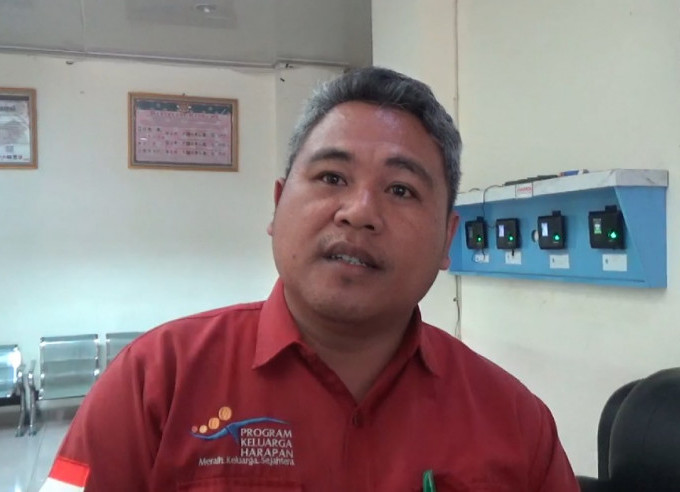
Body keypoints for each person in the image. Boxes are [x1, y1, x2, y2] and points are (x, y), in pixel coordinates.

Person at [40, 67, 579, 491]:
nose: (359, 212)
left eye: (401, 190)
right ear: (278, 207)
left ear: (447, 240)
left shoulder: (516, 421)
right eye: (331, 177)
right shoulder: (151, 383)